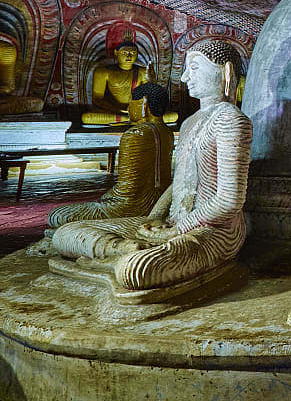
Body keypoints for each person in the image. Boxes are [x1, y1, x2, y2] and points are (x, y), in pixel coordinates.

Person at [52, 40, 252, 295]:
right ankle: (122, 248)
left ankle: (128, 256)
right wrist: (155, 217)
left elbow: (229, 200)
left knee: (134, 270)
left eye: (195, 67)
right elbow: (180, 182)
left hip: (214, 231)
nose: (185, 76)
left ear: (225, 72)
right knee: (66, 232)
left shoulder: (231, 120)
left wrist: (180, 229)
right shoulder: (190, 122)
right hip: (172, 222)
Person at [44, 84, 174, 234]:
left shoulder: (135, 134)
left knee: (57, 215)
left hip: (129, 206)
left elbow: (126, 192)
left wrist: (104, 200)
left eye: (131, 102)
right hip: (157, 202)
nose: (128, 108)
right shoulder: (167, 132)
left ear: (144, 103)